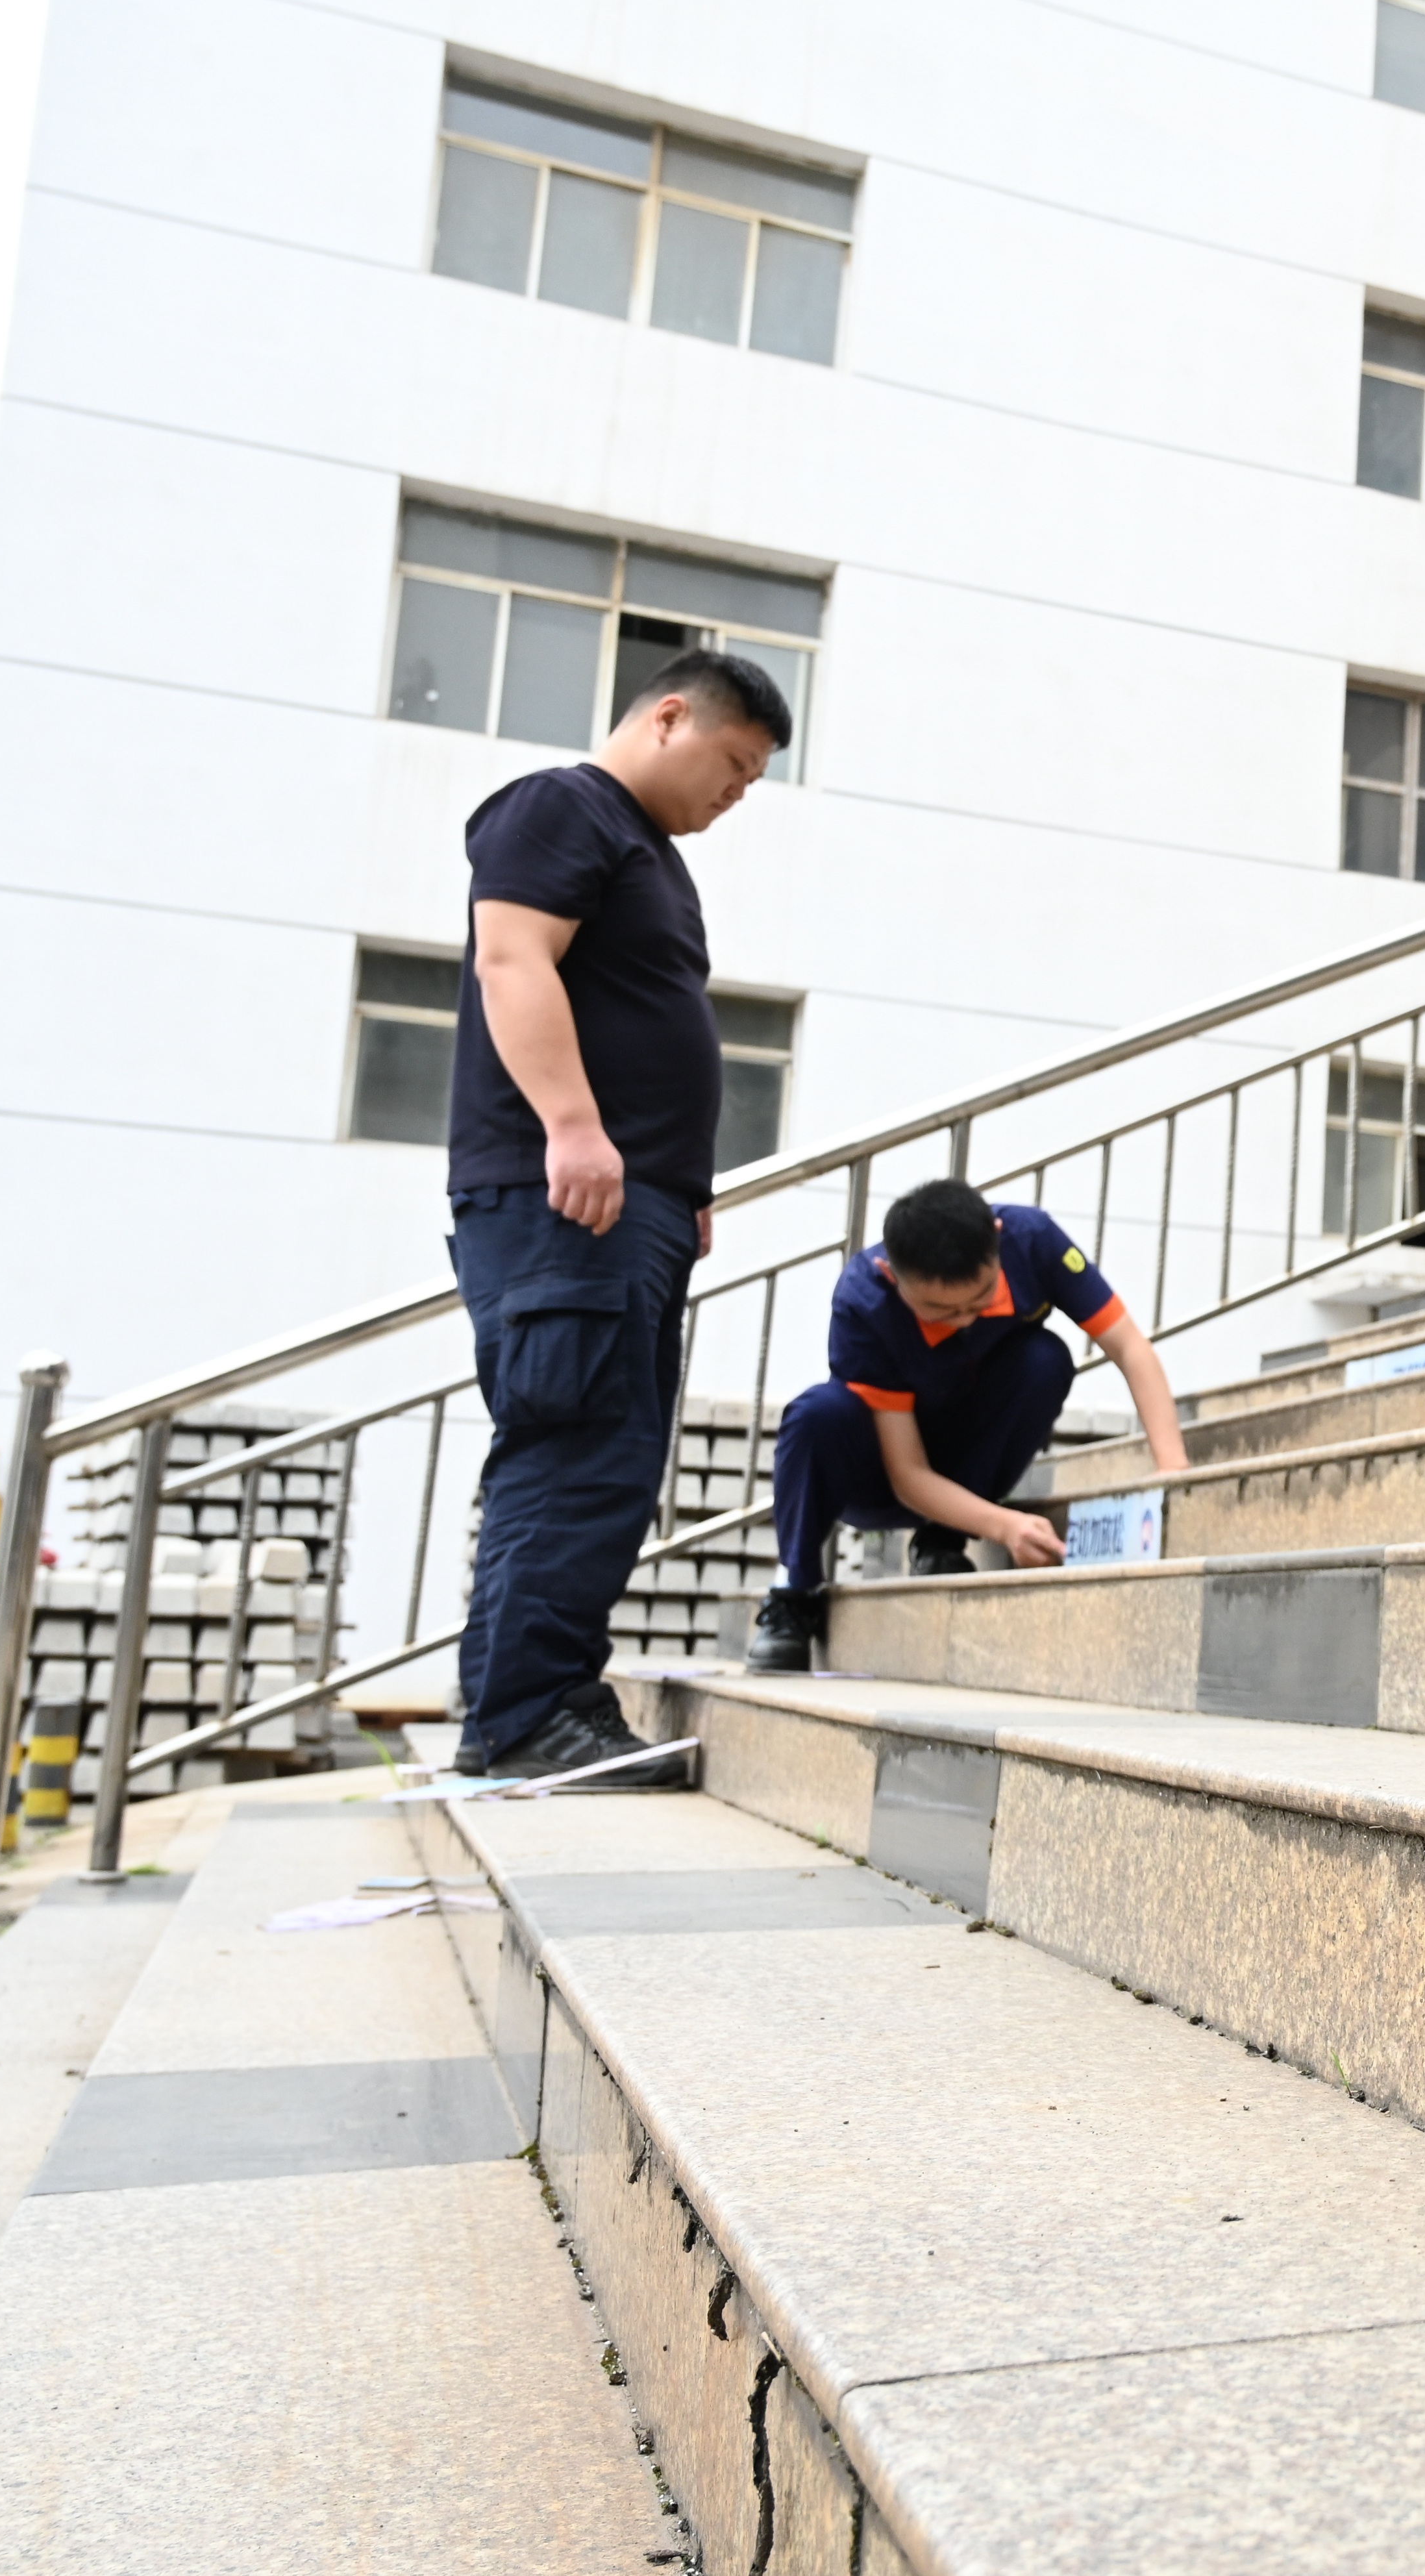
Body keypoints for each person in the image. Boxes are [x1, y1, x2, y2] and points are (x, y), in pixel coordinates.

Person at [449, 650, 791, 1786]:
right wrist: (573, 1124)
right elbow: (513, 960)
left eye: (753, 780)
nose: (735, 793)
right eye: (733, 763)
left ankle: (537, 1707)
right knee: (574, 1443)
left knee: (608, 1456)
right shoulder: (561, 807)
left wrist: (681, 1188)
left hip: (626, 1203)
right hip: (566, 1195)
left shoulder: (649, 854)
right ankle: (528, 1717)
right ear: (670, 716)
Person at [744, 1178, 1189, 1672]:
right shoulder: (864, 1301)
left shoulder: (1032, 1240)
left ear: (997, 1239)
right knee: (817, 1413)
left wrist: (1173, 1469)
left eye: (979, 1300)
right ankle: (794, 1590)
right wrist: (1005, 1527)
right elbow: (907, 1474)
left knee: (1044, 1359)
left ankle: (942, 1541)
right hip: (886, 1475)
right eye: (939, 1310)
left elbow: (1129, 1346)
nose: (963, 1320)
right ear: (892, 1275)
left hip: (973, 1455)